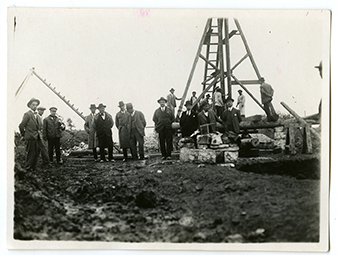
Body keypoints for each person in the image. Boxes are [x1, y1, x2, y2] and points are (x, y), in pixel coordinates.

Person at [19, 98, 42, 171]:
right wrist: (24, 135)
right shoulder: (27, 114)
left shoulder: (38, 116)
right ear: (29, 106)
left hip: (37, 137)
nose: (35, 106)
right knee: (31, 153)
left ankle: (33, 168)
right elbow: (21, 126)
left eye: (36, 105)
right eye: (33, 105)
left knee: (36, 153)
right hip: (30, 137)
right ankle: (28, 168)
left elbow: (39, 127)